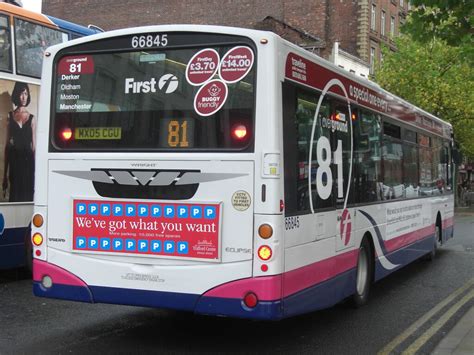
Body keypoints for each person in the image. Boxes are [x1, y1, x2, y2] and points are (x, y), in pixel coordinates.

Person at [2, 82, 36, 202]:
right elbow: (6, 146)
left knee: (28, 197)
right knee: (15, 196)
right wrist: (4, 175)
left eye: (26, 94)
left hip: (28, 163)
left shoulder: (32, 118)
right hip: (14, 163)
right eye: (21, 94)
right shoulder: (9, 116)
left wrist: (37, 172)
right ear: (17, 95)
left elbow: (34, 148)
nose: (23, 97)